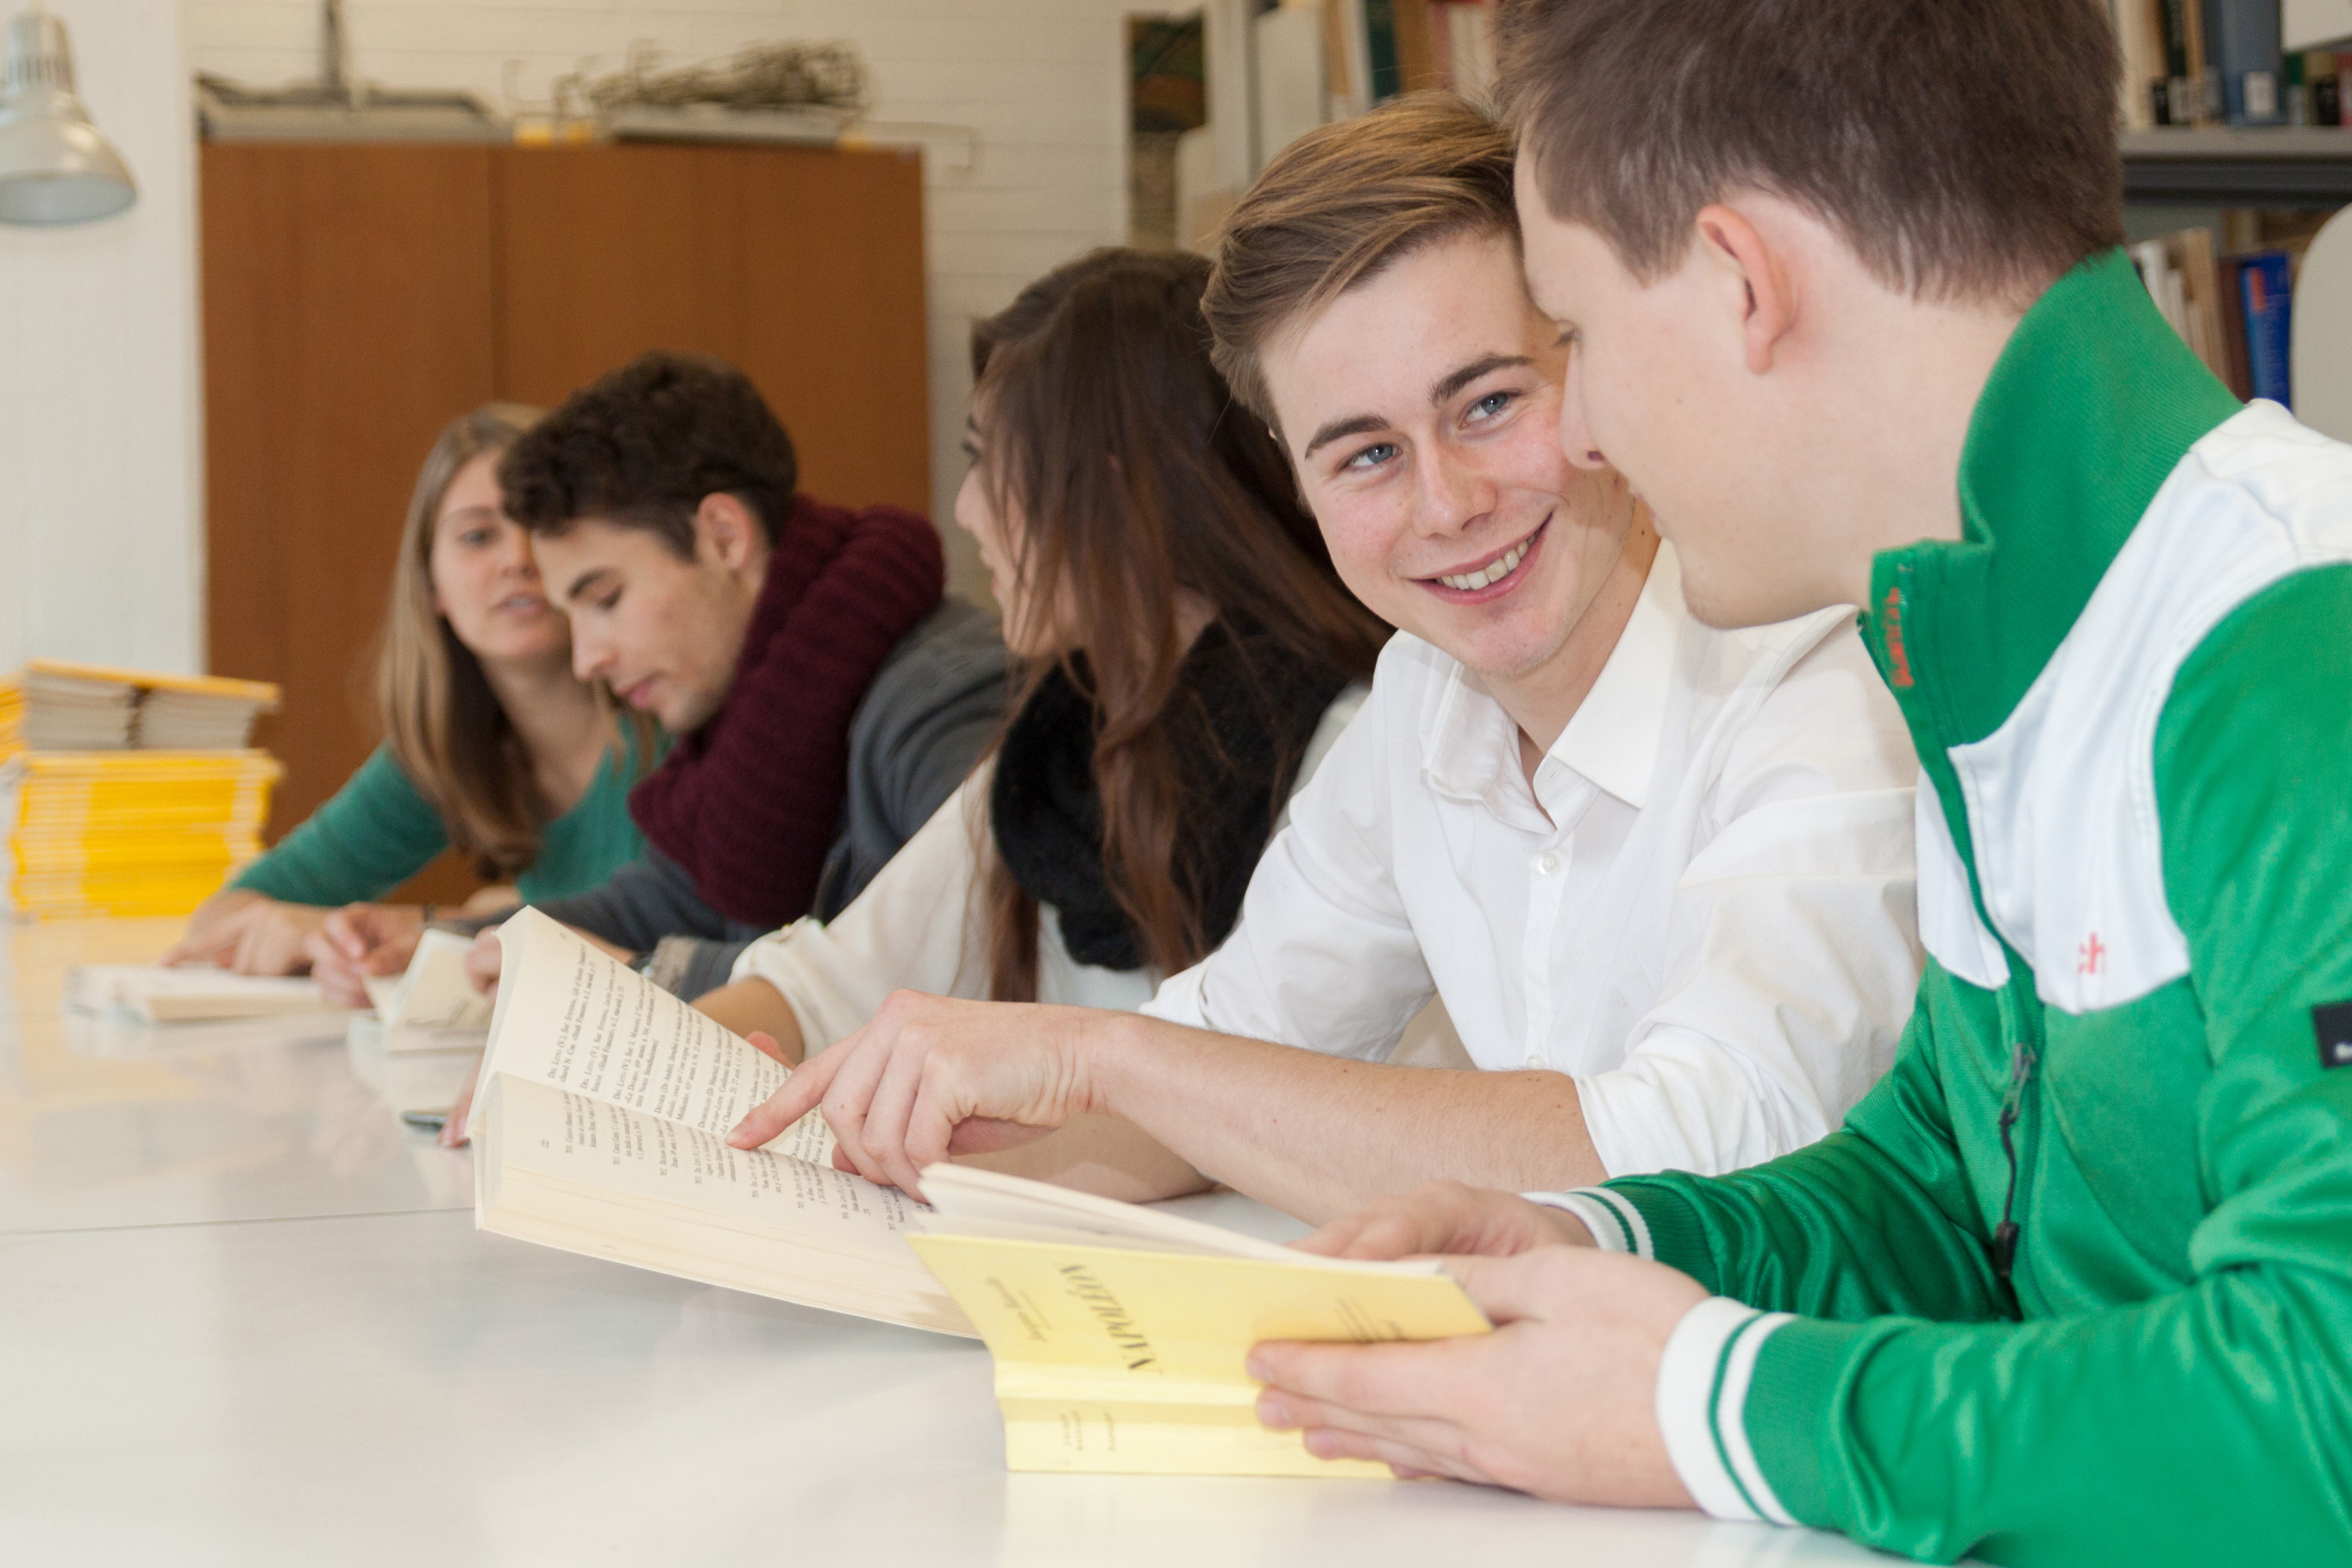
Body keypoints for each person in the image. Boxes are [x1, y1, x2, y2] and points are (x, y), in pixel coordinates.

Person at [1237, 3, 2352, 1565]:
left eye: (1577, 333)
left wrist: (1704, 1403)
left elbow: (2326, 1409)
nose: (1589, 431)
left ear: (1740, 282)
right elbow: (1938, 1196)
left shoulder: (2297, 645)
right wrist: (1597, 1240)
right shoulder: (1989, 633)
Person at [727, 97, 1922, 1219]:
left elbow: (1708, 1149)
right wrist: (858, 1181)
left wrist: (1105, 1056)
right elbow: (1227, 1062)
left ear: (1595, 371)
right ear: (1296, 486)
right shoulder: (1424, 699)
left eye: (1488, 404)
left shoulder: (1819, 674)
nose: (1446, 504)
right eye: (1364, 456)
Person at [693, 247, 1388, 1195]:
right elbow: (828, 985)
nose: (965, 510)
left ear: (1116, 494)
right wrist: (620, 1062)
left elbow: (1252, 1109)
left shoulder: (1349, 748)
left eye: (987, 461)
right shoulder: (1058, 741)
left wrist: (937, 1174)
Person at [309, 352, 1009, 1011]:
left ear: (724, 537)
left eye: (605, 598)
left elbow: (961, 987)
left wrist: (645, 976)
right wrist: (451, 943)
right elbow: (662, 904)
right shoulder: (761, 704)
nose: (587, 659)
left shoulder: (944, 705)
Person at [167, 404, 656, 977]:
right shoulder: (446, 748)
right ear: (432, 586)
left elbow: (683, 941)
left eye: (539, 523)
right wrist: (329, 937)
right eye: (478, 536)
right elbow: (220, 919)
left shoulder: (670, 710)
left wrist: (451, 923)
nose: (517, 559)